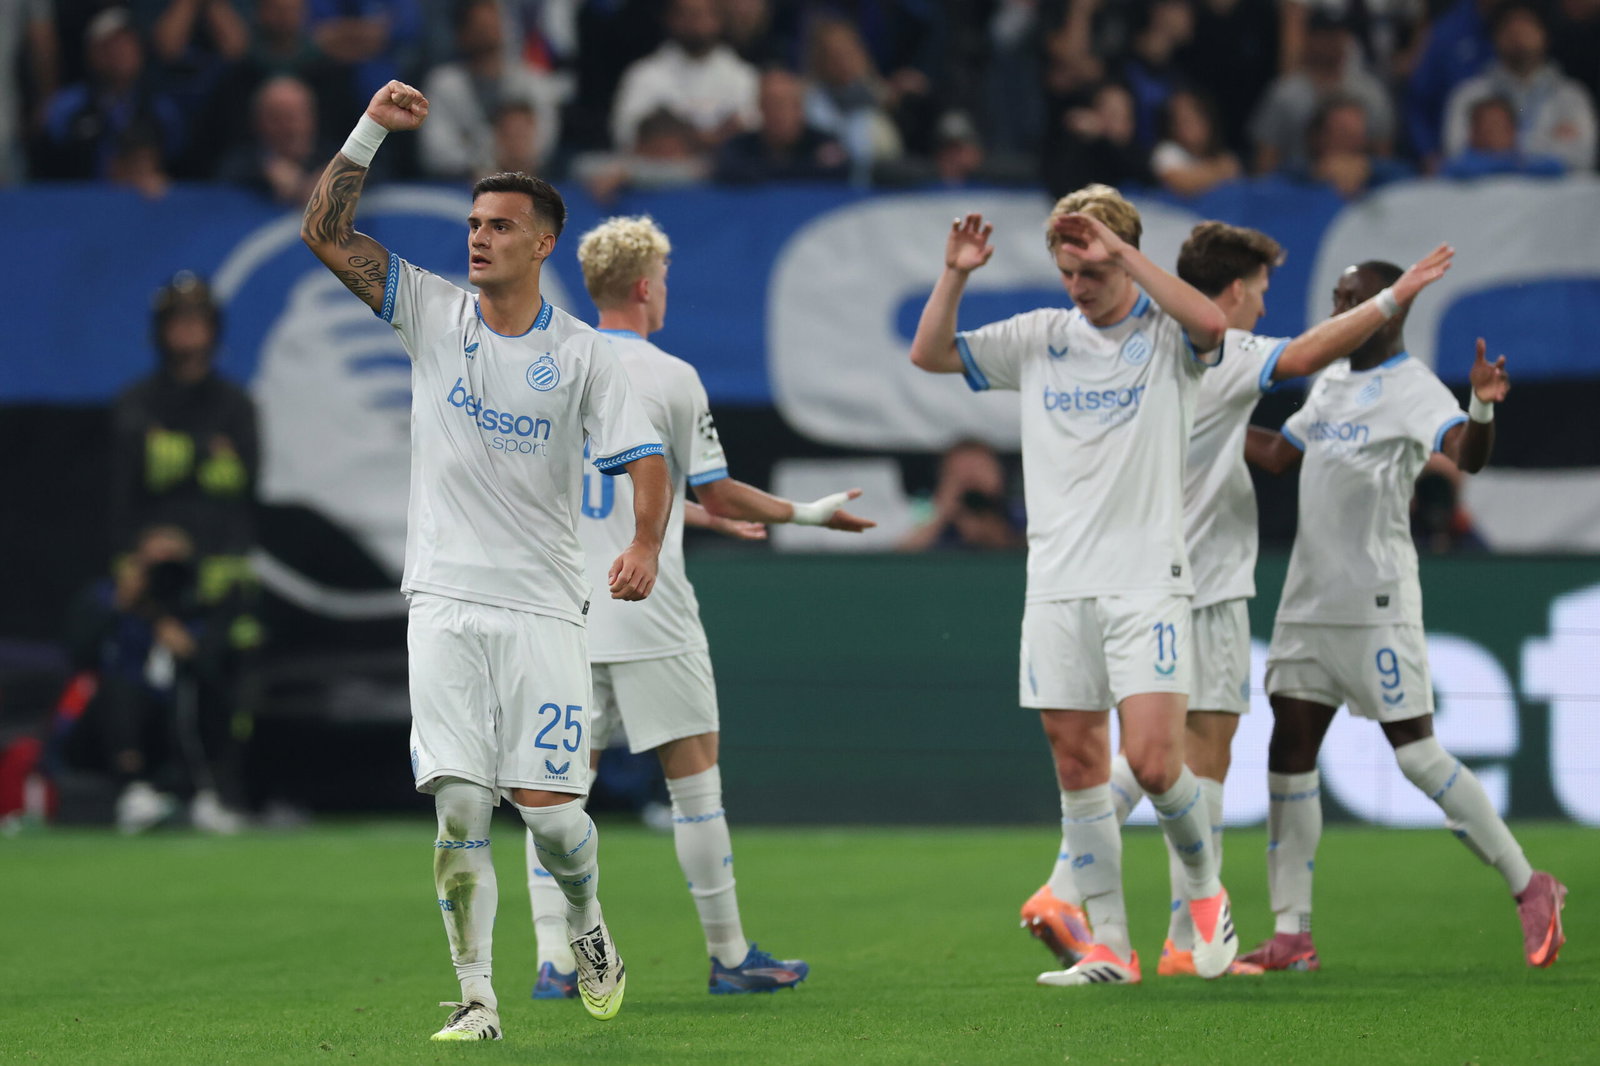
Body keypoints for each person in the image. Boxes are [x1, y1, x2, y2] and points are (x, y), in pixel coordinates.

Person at [300, 80, 672, 1039]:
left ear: (543, 243)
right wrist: (371, 129)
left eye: (500, 225)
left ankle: (586, 920)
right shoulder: (429, 311)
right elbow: (327, 235)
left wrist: (640, 542)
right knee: (459, 806)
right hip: (444, 601)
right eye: (473, 221)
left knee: (551, 820)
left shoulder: (585, 355)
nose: (478, 237)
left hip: (544, 609)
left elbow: (645, 458)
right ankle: (478, 999)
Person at [1064, 223, 1453, 979]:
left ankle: (1163, 931)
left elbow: (1263, 447)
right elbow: (1311, 351)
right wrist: (1392, 298)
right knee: (1181, 759)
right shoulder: (1224, 351)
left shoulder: (1135, 348)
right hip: (1201, 576)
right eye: (1264, 291)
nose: (1267, 305)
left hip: (1124, 572)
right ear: (1235, 292)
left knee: (1162, 754)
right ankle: (1084, 895)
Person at [524, 214, 873, 999]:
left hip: (562, 611)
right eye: (666, 279)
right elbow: (711, 486)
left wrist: (692, 511)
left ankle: (555, 959)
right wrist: (809, 514)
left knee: (555, 788)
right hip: (649, 606)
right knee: (695, 783)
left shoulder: (546, 365)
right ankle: (729, 954)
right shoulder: (668, 374)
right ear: (646, 286)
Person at [908, 185, 1237, 987]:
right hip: (1057, 583)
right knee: (1079, 766)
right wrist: (955, 275)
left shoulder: (1167, 335)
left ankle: (1205, 894)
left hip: (1145, 581)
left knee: (1157, 764)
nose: (1076, 287)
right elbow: (931, 354)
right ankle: (1112, 949)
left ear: (1120, 257)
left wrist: (1120, 251)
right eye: (1066, 272)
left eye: (1088, 271)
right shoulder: (1039, 338)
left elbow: (1216, 325)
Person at [1241, 261, 1566, 971]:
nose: (1342, 311)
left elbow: (1465, 457)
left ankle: (1530, 884)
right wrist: (1202, 423)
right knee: (1288, 755)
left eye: (1353, 301)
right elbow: (1275, 457)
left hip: (1377, 602)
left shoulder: (1412, 386)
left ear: (1387, 313)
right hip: (1307, 604)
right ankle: (1293, 933)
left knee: (1417, 755)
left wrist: (1480, 406)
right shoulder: (1327, 381)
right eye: (1338, 300)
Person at [66, 524, 245, 834]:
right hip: (112, 723)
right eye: (154, 561)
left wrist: (189, 650)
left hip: (181, 721)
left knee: (199, 698)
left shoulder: (198, 608)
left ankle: (207, 797)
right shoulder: (109, 599)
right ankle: (134, 791)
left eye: (171, 560)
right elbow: (79, 656)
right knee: (121, 690)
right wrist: (122, 604)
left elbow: (219, 675)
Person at [1441, 0, 1597, 173]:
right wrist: (1549, 143)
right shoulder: (1469, 95)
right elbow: (1456, 155)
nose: (1517, 33)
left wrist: (1501, 147)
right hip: (1487, 196)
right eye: (1508, 26)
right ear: (1494, 37)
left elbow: (1584, 157)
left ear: (1545, 34)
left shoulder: (1571, 95)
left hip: (1554, 197)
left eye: (1527, 25)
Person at [896, 439, 1024, 552]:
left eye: (980, 469)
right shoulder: (923, 513)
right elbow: (901, 555)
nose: (972, 479)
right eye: (960, 472)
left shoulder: (1019, 512)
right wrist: (942, 512)